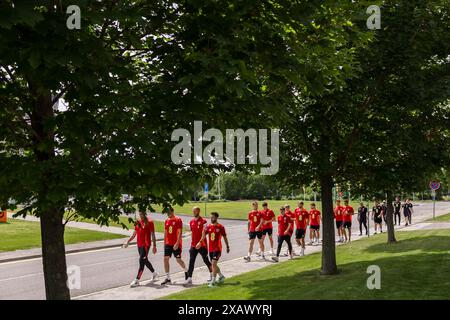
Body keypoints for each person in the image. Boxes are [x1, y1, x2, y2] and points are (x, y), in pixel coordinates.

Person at [122, 211, 158, 287]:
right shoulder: (138, 221)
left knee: (141, 260)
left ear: (145, 214)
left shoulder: (150, 222)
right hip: (139, 245)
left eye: (142, 214)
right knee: (145, 260)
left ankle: (137, 280)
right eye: (140, 214)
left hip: (146, 245)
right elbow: (134, 233)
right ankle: (154, 273)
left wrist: (154, 246)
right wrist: (127, 241)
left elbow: (153, 235)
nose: (141, 216)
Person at [197, 212, 230, 287]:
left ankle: (213, 281)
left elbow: (225, 237)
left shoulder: (220, 227)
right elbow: (203, 236)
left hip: (217, 248)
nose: (211, 218)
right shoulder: (208, 226)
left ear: (216, 218)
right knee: (213, 264)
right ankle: (221, 276)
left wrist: (227, 246)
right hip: (210, 249)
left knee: (213, 263)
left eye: (213, 217)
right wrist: (199, 243)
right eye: (210, 217)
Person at [184, 206, 212, 285]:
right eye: (193, 211)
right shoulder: (191, 221)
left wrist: (200, 242)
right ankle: (189, 278)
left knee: (206, 260)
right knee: (191, 262)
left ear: (198, 211)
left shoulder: (204, 221)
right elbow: (192, 232)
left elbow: (205, 233)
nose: (193, 212)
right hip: (193, 245)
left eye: (195, 211)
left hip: (202, 245)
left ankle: (212, 274)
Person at [161, 207, 188, 285]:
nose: (168, 214)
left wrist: (177, 243)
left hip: (176, 244)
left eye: (169, 212)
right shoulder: (166, 221)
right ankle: (168, 278)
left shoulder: (178, 220)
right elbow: (165, 232)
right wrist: (164, 243)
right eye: (167, 213)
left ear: (172, 211)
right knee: (165, 259)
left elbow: (180, 232)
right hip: (168, 243)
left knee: (178, 260)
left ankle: (186, 271)